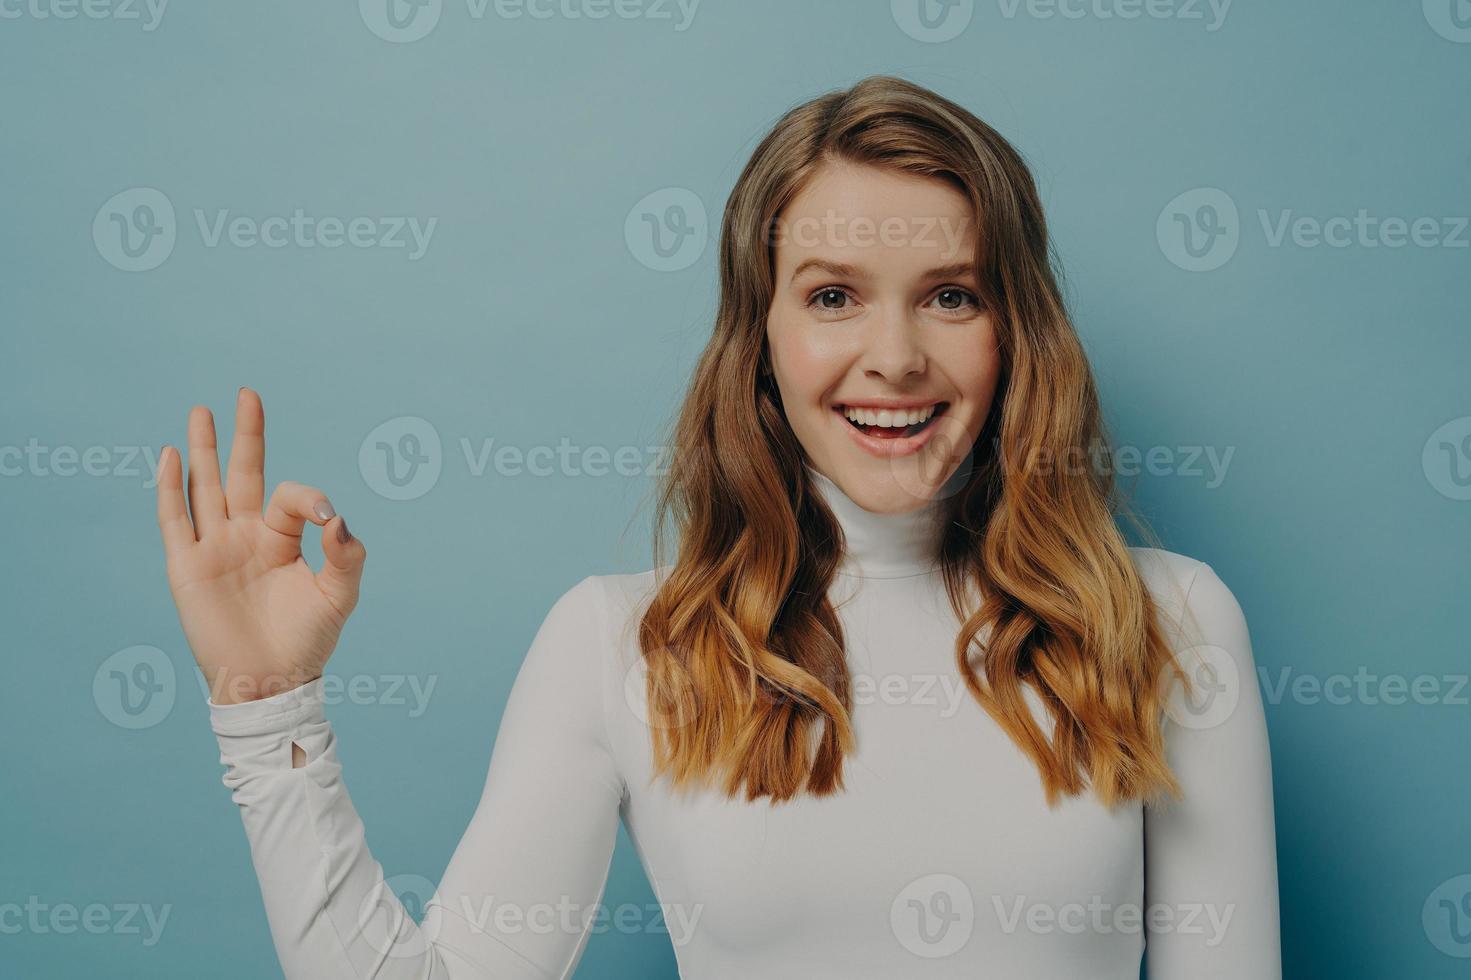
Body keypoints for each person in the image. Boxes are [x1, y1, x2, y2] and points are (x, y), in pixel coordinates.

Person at [155, 75, 1281, 978]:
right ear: (761, 340)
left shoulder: (1170, 622)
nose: (893, 355)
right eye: (833, 294)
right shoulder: (618, 644)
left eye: (952, 293)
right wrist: (268, 714)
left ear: (1015, 331)